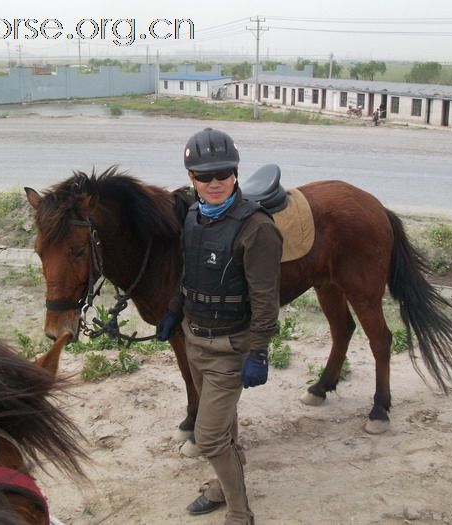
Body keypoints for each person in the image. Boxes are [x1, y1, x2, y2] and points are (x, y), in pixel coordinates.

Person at [157, 128, 283, 525]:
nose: (215, 183)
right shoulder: (193, 216)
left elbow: (266, 300)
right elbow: (188, 273)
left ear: (236, 171)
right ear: (191, 178)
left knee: (209, 436)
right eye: (204, 176)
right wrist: (174, 310)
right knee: (224, 427)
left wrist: (258, 352)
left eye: (223, 173)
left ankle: (240, 512)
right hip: (195, 341)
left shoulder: (257, 228)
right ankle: (222, 486)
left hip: (231, 347)